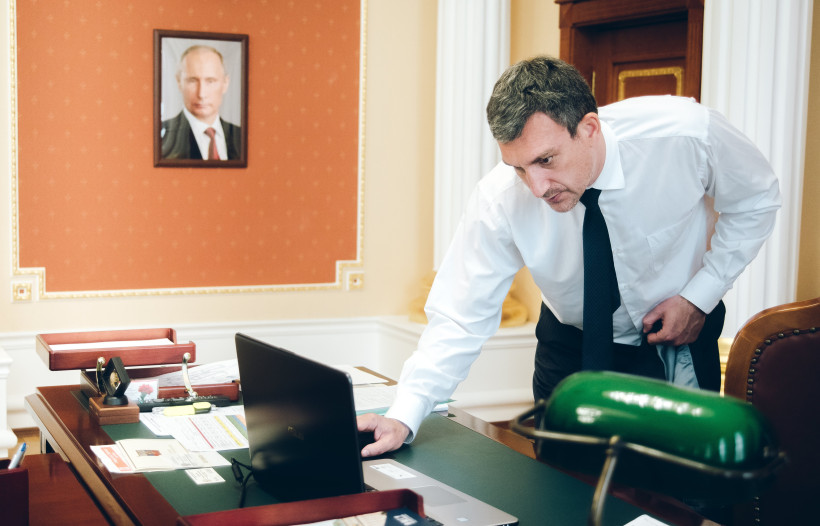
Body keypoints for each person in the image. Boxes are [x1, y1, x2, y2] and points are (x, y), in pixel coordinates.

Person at [357, 56, 781, 459]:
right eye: (519, 168)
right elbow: (460, 314)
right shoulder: (500, 198)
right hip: (569, 350)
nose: (537, 187)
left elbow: (756, 200)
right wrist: (404, 414)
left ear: (589, 128)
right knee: (563, 488)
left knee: (680, 492)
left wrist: (700, 296)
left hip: (675, 339)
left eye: (546, 160)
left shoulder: (686, 135)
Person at [160, 45, 241, 160]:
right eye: (192, 81)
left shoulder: (242, 136)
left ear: (225, 83)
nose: (201, 94)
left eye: (210, 81)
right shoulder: (161, 137)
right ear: (179, 82)